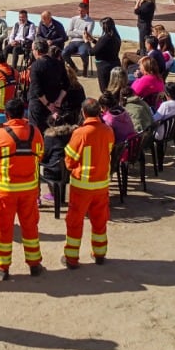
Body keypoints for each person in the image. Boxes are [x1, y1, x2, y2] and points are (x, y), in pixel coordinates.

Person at [0, 97, 44, 279]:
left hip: (6, 190)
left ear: (6, 115)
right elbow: (39, 155)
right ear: (23, 113)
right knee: (30, 226)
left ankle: (3, 268)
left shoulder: (0, 135)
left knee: (4, 228)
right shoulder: (35, 132)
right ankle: (34, 264)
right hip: (29, 190)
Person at [63, 99, 114, 268]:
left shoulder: (80, 133)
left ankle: (71, 258)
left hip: (82, 186)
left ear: (83, 113)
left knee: (74, 222)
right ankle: (99, 254)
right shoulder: (108, 131)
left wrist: (71, 168)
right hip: (101, 184)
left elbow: (70, 158)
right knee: (100, 220)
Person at [28, 39, 69, 134]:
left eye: (33, 50)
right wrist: (59, 100)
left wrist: (47, 104)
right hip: (55, 101)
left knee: (37, 132)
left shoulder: (36, 65)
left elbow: (37, 89)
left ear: (37, 51)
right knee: (52, 132)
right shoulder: (58, 63)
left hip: (38, 104)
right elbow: (66, 84)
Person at [92, 17, 122, 95]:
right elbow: (105, 47)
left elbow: (92, 52)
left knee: (105, 90)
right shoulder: (116, 36)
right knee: (116, 88)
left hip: (104, 66)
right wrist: (93, 40)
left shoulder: (105, 38)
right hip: (115, 63)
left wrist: (86, 42)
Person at [62, 3, 95, 76]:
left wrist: (75, 30)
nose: (80, 12)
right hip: (73, 41)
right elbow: (68, 33)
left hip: (84, 42)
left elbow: (87, 34)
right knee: (64, 53)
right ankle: (73, 67)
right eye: (79, 10)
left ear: (86, 11)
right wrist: (82, 32)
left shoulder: (91, 21)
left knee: (83, 53)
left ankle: (85, 68)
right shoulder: (73, 19)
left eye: (82, 11)